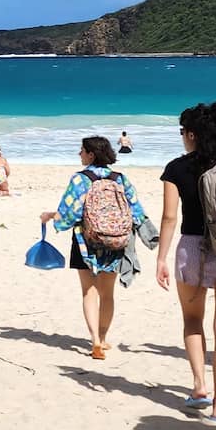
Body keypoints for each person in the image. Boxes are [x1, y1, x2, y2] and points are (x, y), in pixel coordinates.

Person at [156, 102, 216, 423]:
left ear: (192, 134)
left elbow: (170, 217)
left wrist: (161, 258)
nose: (182, 137)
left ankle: (199, 386)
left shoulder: (176, 169)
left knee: (192, 321)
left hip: (192, 248)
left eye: (183, 132)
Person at [41, 135, 148, 361]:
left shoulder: (81, 179)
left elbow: (69, 213)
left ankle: (95, 342)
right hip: (116, 241)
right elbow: (136, 211)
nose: (79, 153)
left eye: (81, 150)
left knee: (89, 291)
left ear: (91, 154)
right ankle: (104, 336)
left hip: (85, 241)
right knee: (107, 294)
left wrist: (50, 217)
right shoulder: (120, 179)